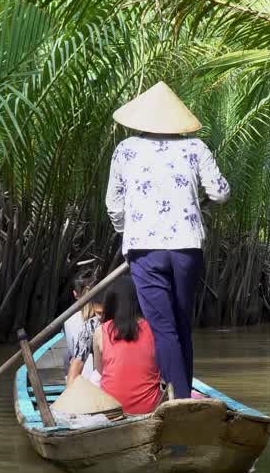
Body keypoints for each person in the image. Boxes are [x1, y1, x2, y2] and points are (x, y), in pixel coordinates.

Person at [106, 82, 230, 400]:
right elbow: (220, 192)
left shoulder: (126, 149)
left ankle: (178, 399)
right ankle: (183, 395)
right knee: (181, 324)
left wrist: (127, 231)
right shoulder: (195, 148)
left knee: (164, 328)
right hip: (186, 248)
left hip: (144, 250)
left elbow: (114, 205)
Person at [94, 278, 163, 415]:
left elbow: (100, 371)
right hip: (148, 410)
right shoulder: (156, 329)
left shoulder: (100, 331)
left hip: (111, 411)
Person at [62, 269, 98, 368]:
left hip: (82, 373)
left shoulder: (69, 321)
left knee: (66, 355)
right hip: (104, 374)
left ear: (75, 294)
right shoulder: (107, 315)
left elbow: (73, 351)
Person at [66, 291, 105, 386]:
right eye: (99, 313)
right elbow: (77, 362)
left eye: (106, 313)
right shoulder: (91, 325)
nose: (103, 318)